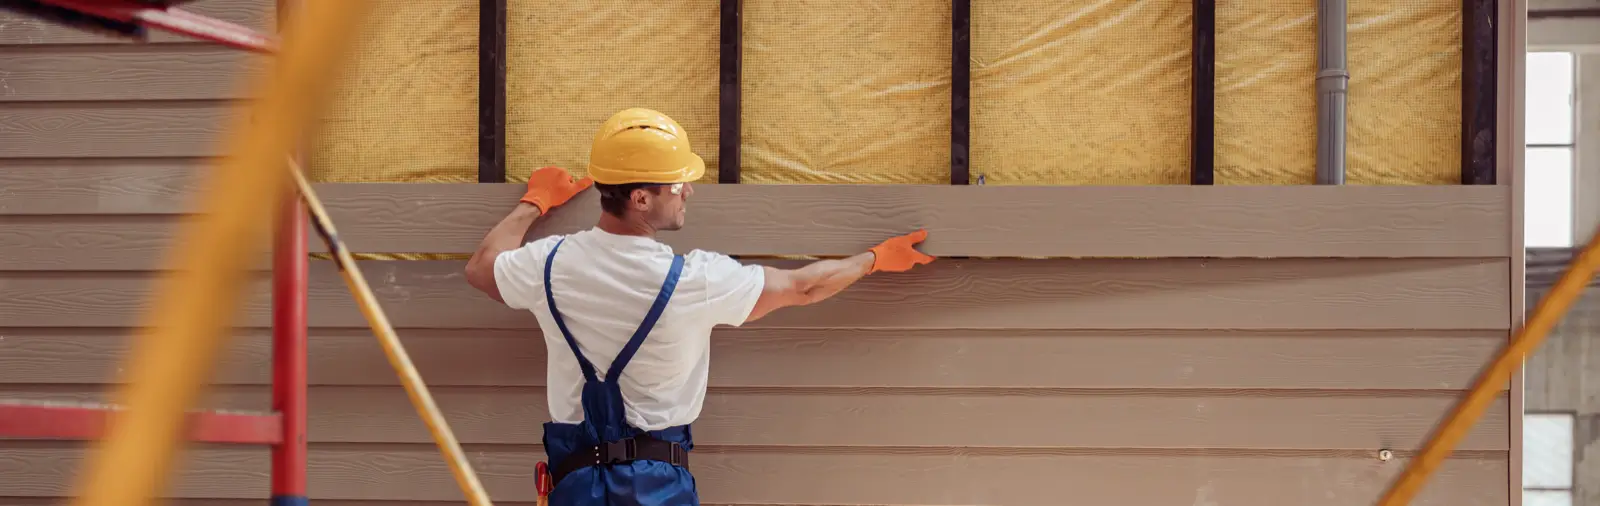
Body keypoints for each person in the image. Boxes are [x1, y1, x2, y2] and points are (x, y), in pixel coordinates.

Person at [463, 108, 934, 505]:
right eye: (677, 184)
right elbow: (804, 287)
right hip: (657, 488)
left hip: (575, 483)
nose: (688, 191)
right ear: (640, 198)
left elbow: (482, 269)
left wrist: (535, 202)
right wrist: (874, 260)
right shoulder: (695, 281)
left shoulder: (547, 264)